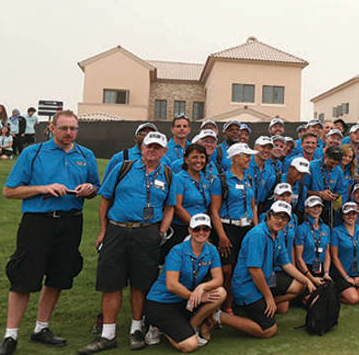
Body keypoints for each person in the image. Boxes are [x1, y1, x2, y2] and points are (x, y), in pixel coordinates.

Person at [0, 111, 98, 355]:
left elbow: (97, 186)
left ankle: (41, 328)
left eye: (73, 128)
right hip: (37, 222)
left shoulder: (86, 155)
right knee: (24, 277)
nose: (69, 133)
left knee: (59, 276)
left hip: (71, 223)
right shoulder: (33, 153)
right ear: (52, 128)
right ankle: (10, 336)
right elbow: (9, 191)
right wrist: (43, 188)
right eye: (64, 128)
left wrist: (90, 189)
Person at [80, 132, 175, 354]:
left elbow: (170, 207)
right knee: (111, 283)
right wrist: (103, 230)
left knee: (140, 284)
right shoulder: (123, 168)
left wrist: (160, 232)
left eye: (156, 148)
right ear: (141, 148)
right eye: (148, 146)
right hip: (116, 230)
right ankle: (108, 335)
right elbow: (105, 199)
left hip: (147, 233)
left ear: (164, 152)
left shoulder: (169, 175)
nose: (152, 150)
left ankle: (136, 330)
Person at [218, 201, 315, 339]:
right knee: (268, 330)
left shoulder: (278, 234)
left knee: (300, 286)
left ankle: (264, 305)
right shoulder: (257, 235)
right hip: (247, 287)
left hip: (265, 280)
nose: (280, 221)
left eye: (284, 218)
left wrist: (307, 280)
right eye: (277, 216)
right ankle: (220, 317)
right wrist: (268, 296)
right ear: (269, 216)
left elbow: (286, 264)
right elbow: (254, 270)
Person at [143, 214, 225, 352]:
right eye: (196, 229)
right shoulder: (177, 251)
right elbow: (171, 284)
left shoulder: (212, 250)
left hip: (184, 301)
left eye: (205, 229)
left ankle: (193, 325)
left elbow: (218, 279)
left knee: (221, 292)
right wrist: (195, 296)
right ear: (190, 230)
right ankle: (157, 326)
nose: (201, 232)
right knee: (189, 346)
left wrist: (202, 287)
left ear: (210, 231)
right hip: (162, 303)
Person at [209, 142, 259, 313]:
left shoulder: (248, 178)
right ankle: (217, 307)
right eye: (246, 156)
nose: (249, 159)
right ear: (236, 158)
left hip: (246, 228)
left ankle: (229, 306)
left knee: (239, 268)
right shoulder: (221, 180)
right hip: (227, 228)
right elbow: (214, 211)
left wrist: (256, 228)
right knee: (226, 269)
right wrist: (222, 236)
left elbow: (253, 206)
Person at [167, 144, 219, 261]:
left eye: (202, 157)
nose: (199, 161)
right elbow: (177, 207)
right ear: (186, 159)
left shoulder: (205, 179)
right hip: (183, 228)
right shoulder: (179, 179)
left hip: (202, 229)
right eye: (195, 157)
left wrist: (202, 229)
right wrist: (195, 227)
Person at [330, 202, 359, 304]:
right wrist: (346, 277)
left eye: (353, 213)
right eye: (348, 213)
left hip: (358, 273)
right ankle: (334, 294)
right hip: (342, 274)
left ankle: (353, 288)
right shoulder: (336, 231)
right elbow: (334, 257)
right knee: (354, 299)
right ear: (343, 215)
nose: (351, 216)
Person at [294, 196, 331, 284]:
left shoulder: (326, 228)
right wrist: (310, 278)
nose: (316, 209)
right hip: (306, 269)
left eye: (318, 206)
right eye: (313, 207)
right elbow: (298, 258)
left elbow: (327, 253)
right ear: (306, 209)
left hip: (321, 268)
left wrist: (326, 273)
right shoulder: (301, 229)